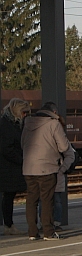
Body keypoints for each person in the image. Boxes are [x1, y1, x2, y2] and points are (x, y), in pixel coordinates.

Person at [21, 101, 71, 241]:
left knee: (31, 200)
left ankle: (32, 232)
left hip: (28, 168)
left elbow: (22, 144)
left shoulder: (27, 123)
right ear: (54, 112)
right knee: (47, 200)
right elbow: (63, 147)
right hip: (47, 167)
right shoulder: (53, 124)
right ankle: (48, 232)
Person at [1, 99, 32, 235]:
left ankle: (9, 224)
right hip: (8, 167)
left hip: (10, 166)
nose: (25, 115)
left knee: (9, 195)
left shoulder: (12, 123)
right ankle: (8, 225)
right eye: (23, 112)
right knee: (8, 195)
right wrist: (21, 160)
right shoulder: (6, 125)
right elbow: (6, 148)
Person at [52, 145, 76, 232]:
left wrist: (62, 169)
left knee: (55, 201)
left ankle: (55, 223)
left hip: (56, 174)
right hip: (54, 173)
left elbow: (70, 155)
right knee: (55, 201)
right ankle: (50, 223)